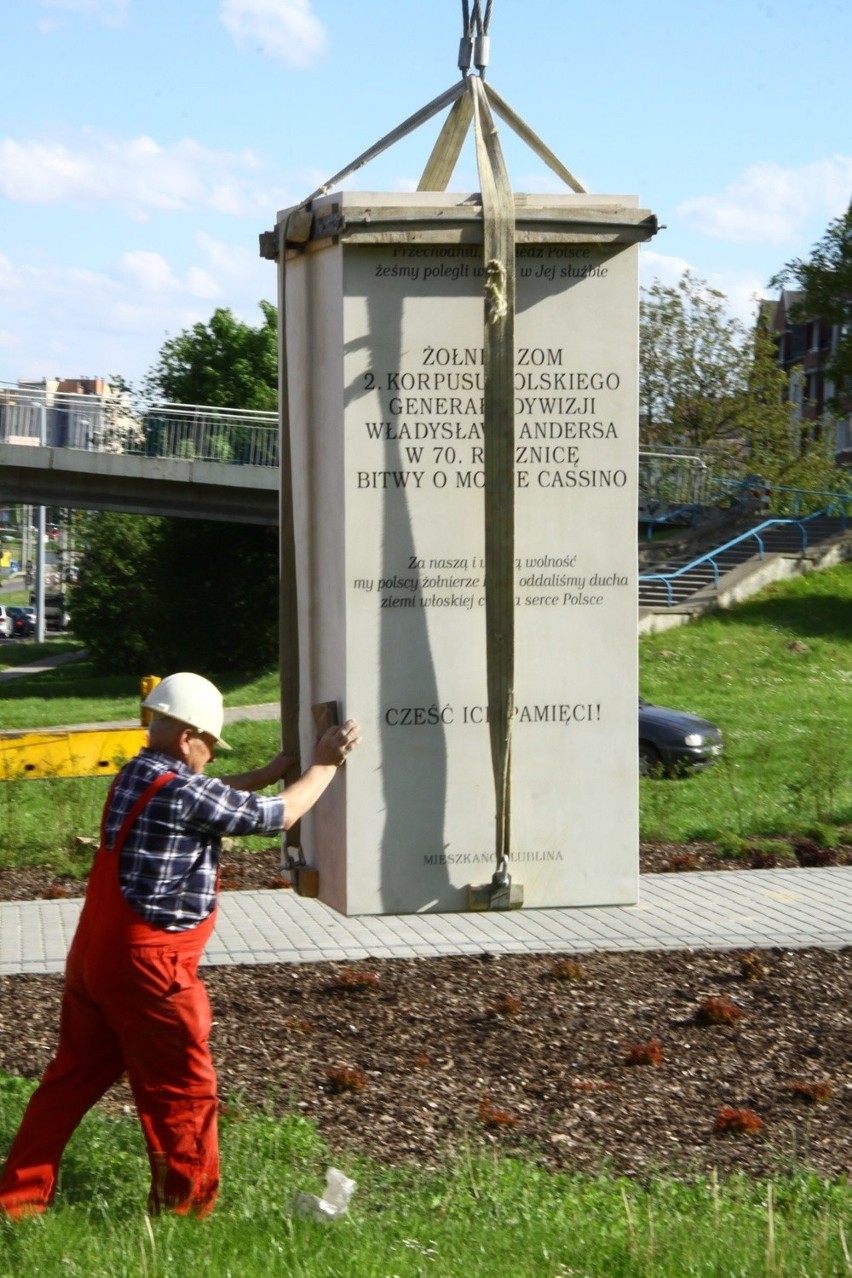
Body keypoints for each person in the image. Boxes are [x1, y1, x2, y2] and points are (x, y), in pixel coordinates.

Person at [0, 672, 361, 1220]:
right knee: (183, 1093)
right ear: (190, 735)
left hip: (94, 960)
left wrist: (264, 773)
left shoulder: (136, 775)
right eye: (212, 745)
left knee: (68, 1082)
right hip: (150, 970)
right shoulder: (183, 788)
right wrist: (324, 765)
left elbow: (206, 799)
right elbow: (278, 815)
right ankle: (184, 1215)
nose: (213, 757)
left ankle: (17, 1202)